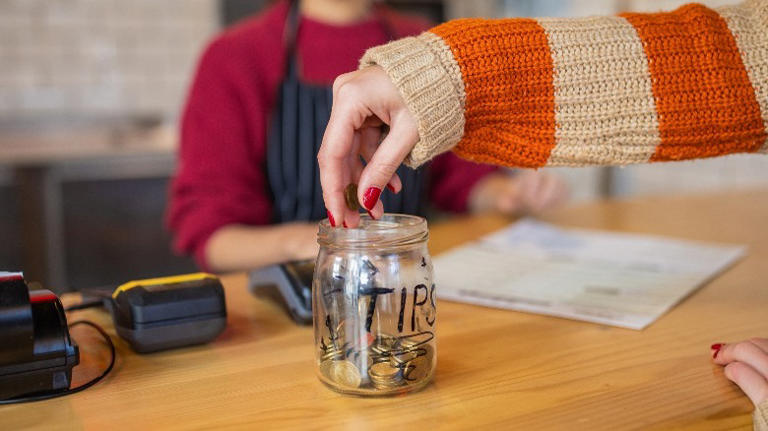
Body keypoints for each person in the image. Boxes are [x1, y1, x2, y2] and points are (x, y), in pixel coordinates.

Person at [315, 0, 767, 427]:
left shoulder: (407, 28)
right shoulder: (249, 52)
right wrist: (447, 77)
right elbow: (735, 62)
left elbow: (457, 179)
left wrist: (494, 177)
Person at [167, 0, 567, 273]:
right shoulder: (233, 58)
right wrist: (306, 242)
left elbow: (458, 179)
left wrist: (505, 195)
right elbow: (214, 237)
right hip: (291, 309)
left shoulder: (427, 47)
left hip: (403, 285)